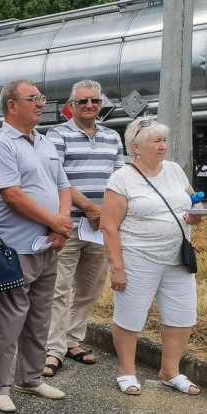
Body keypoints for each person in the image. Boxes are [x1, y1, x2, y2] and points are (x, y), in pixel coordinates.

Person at [0, 79, 72, 413]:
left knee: (39, 316)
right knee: (7, 320)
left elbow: (63, 186)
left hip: (47, 245)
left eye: (40, 97)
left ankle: (30, 378)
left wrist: (61, 224)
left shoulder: (44, 142)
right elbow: (12, 195)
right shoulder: (1, 144)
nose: (41, 103)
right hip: (15, 247)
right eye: (33, 98)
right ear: (12, 105)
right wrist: (56, 223)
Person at [101, 117, 202, 396]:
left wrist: (197, 213)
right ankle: (127, 372)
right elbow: (108, 226)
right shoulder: (122, 178)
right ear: (136, 147)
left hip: (178, 258)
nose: (163, 146)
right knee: (130, 317)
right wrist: (117, 268)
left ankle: (170, 372)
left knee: (182, 316)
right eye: (156, 141)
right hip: (138, 257)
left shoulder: (174, 170)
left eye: (164, 140)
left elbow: (193, 200)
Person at [43, 80, 125, 377]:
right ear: (71, 105)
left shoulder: (112, 137)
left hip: (101, 227)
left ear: (101, 104)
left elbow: (119, 179)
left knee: (90, 289)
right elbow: (58, 177)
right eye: (83, 101)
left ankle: (72, 340)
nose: (90, 105)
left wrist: (107, 214)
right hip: (69, 224)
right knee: (58, 290)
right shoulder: (58, 134)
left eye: (95, 100)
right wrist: (90, 208)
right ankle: (53, 350)